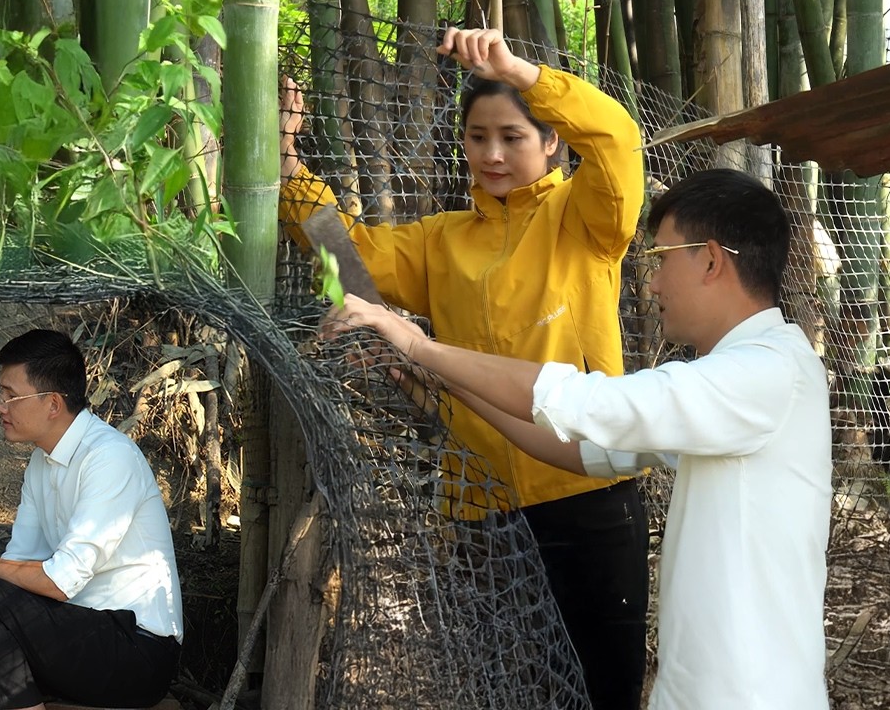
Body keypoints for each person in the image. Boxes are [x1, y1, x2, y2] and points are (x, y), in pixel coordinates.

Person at [327, 168, 832, 709]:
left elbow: (585, 402)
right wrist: (441, 379)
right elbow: (579, 448)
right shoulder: (736, 380)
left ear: (711, 259)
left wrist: (420, 345)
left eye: (661, 259)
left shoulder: (765, 372)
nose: (653, 283)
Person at [280, 26, 648, 709]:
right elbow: (350, 267)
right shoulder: (442, 241)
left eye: (512, 136)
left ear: (553, 142)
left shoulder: (586, 218)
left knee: (603, 690)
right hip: (481, 508)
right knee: (505, 688)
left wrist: (524, 72)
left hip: (588, 496)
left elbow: (620, 140)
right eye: (478, 137)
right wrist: (288, 168)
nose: (494, 154)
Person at [0, 328, 183, 710]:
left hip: (134, 650)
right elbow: (16, 566)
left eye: (11, 396)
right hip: (76, 633)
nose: (0, 406)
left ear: (52, 403)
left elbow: (60, 581)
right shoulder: (41, 460)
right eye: (0, 394)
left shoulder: (109, 457)